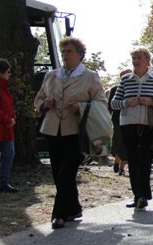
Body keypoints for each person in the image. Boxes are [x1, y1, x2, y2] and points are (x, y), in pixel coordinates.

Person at [34, 37, 107, 229]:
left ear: (80, 55)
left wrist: (81, 107)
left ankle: (58, 214)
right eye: (63, 51)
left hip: (77, 130)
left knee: (67, 172)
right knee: (59, 173)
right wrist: (44, 104)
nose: (65, 54)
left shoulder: (90, 76)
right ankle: (74, 207)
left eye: (69, 51)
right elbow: (39, 98)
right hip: (52, 129)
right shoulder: (51, 75)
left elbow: (101, 102)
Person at [110, 47, 153, 211]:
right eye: (134, 58)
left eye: (139, 58)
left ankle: (143, 194)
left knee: (145, 158)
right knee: (132, 159)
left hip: (148, 124)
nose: (136, 61)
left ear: (148, 61)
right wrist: (126, 103)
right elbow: (114, 103)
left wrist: (151, 101)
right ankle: (138, 195)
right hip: (127, 123)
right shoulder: (126, 80)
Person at [0, 59, 17, 193]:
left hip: (6, 126)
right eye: (8, 72)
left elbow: (8, 105)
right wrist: (7, 120)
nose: (9, 74)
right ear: (0, 73)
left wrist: (11, 118)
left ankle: (3, 182)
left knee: (9, 154)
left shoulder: (3, 87)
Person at [107, 69, 132, 176]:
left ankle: (122, 167)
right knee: (117, 142)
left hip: (130, 120)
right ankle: (117, 162)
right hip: (117, 120)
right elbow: (110, 105)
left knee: (127, 144)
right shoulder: (115, 89)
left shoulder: (133, 89)